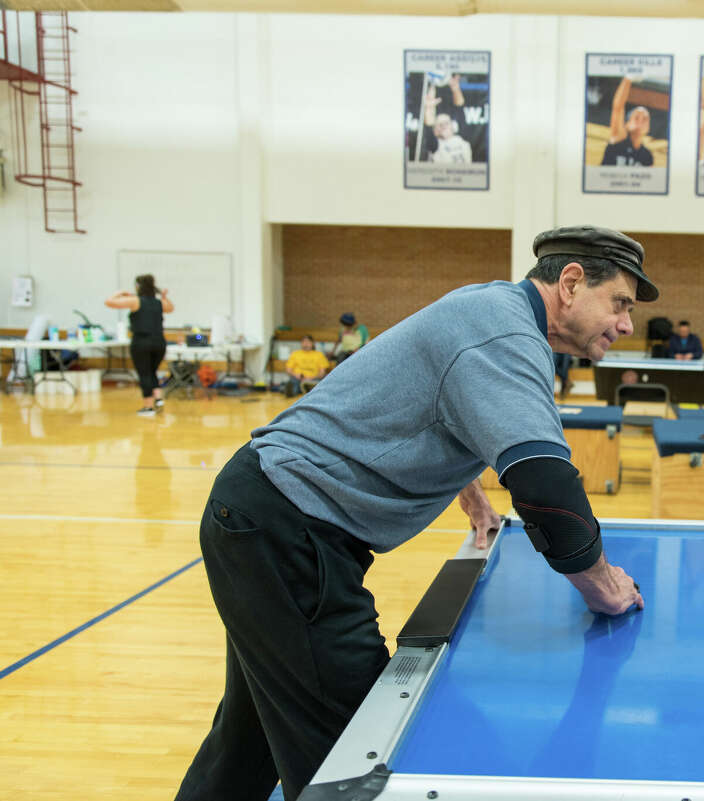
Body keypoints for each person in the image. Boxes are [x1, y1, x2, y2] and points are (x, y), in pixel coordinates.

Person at [173, 225, 656, 801]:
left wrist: (470, 489)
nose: (626, 324)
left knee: (248, 737)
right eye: (620, 303)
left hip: (262, 512)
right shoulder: (505, 335)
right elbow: (546, 488)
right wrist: (602, 585)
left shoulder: (489, 306)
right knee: (356, 757)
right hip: (288, 529)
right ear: (572, 282)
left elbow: (437, 401)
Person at [104, 274, 174, 417]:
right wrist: (164, 297)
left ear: (138, 287)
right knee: (152, 371)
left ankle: (148, 407)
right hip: (159, 342)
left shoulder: (135, 301)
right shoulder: (158, 302)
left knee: (144, 373)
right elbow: (170, 308)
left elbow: (109, 302)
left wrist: (120, 293)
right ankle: (158, 399)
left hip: (142, 342)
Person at [600, 75, 653, 167]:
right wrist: (628, 78)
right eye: (636, 117)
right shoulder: (619, 139)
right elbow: (618, 108)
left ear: (648, 128)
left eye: (644, 119)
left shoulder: (647, 157)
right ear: (627, 124)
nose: (640, 121)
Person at [421, 75, 472, 164]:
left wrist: (455, 89)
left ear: (453, 127)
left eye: (446, 123)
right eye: (439, 125)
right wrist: (428, 107)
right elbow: (429, 126)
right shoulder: (435, 145)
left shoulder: (462, 138)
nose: (443, 126)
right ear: (435, 131)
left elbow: (460, 109)